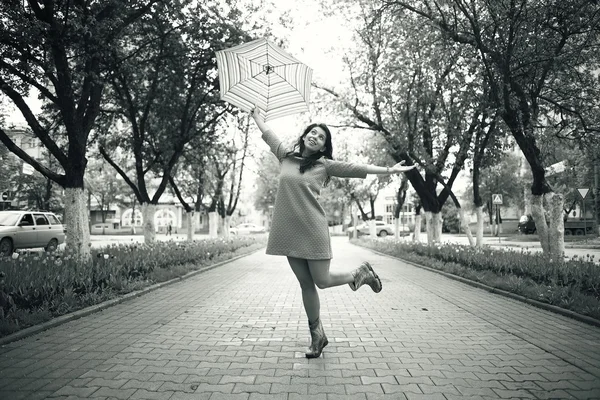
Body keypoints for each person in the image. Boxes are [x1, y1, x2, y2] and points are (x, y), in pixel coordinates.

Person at [250, 107, 416, 358]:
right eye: (312, 133)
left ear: (322, 147)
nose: (315, 137)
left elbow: (356, 167)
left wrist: (389, 171)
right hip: (289, 232)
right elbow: (268, 133)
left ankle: (360, 273)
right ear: (305, 135)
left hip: (312, 229)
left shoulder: (324, 165)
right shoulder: (285, 156)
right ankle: (318, 338)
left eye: (321, 138)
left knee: (322, 281)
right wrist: (256, 116)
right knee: (305, 283)